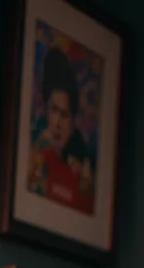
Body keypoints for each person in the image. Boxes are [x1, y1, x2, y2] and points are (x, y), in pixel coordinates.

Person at [28, 46, 93, 215]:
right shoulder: (37, 147)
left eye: (64, 115)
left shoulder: (81, 164)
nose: (57, 123)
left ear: (73, 120)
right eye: (53, 110)